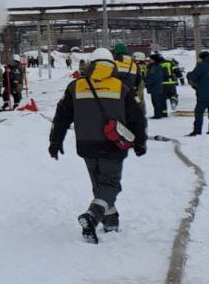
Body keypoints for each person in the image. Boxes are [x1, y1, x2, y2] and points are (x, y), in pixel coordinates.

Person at [48, 48, 147, 243]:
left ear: (90, 65)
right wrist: (140, 142)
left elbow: (61, 117)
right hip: (114, 144)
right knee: (110, 184)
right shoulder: (121, 87)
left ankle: (110, 222)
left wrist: (55, 141)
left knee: (99, 184)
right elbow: (137, 118)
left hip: (86, 145)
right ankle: (93, 215)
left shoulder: (75, 86)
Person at [187, 51, 209, 136]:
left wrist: (188, 74)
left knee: (199, 112)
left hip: (203, 93)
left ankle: (197, 131)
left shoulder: (202, 66)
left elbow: (193, 76)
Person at [145, 54, 168, 118]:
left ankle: (158, 114)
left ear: (154, 60)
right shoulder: (155, 66)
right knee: (158, 101)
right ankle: (161, 113)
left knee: (156, 101)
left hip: (155, 87)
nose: (149, 60)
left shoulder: (154, 67)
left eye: (151, 59)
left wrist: (147, 83)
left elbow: (154, 77)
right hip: (157, 87)